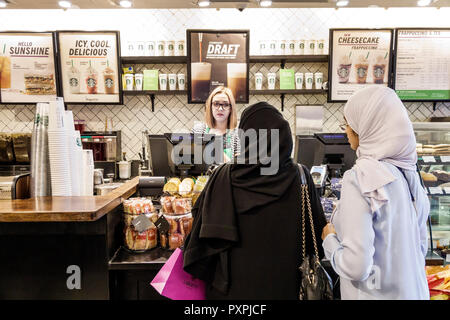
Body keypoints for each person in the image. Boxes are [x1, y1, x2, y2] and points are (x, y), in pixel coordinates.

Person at [183, 101, 327, 300]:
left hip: (232, 293)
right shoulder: (302, 176)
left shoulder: (222, 176)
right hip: (289, 288)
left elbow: (197, 245)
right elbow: (317, 239)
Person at [321, 86, 430, 300]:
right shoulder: (409, 176)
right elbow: (420, 249)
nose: (346, 130)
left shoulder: (361, 177)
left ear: (367, 127)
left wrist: (330, 240)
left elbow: (356, 266)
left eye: (349, 124)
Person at [192, 86, 240, 162]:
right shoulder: (199, 130)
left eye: (225, 104)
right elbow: (195, 161)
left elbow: (238, 168)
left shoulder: (237, 134)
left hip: (227, 174)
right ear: (210, 106)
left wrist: (215, 146)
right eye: (216, 104)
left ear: (231, 108)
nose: (220, 109)